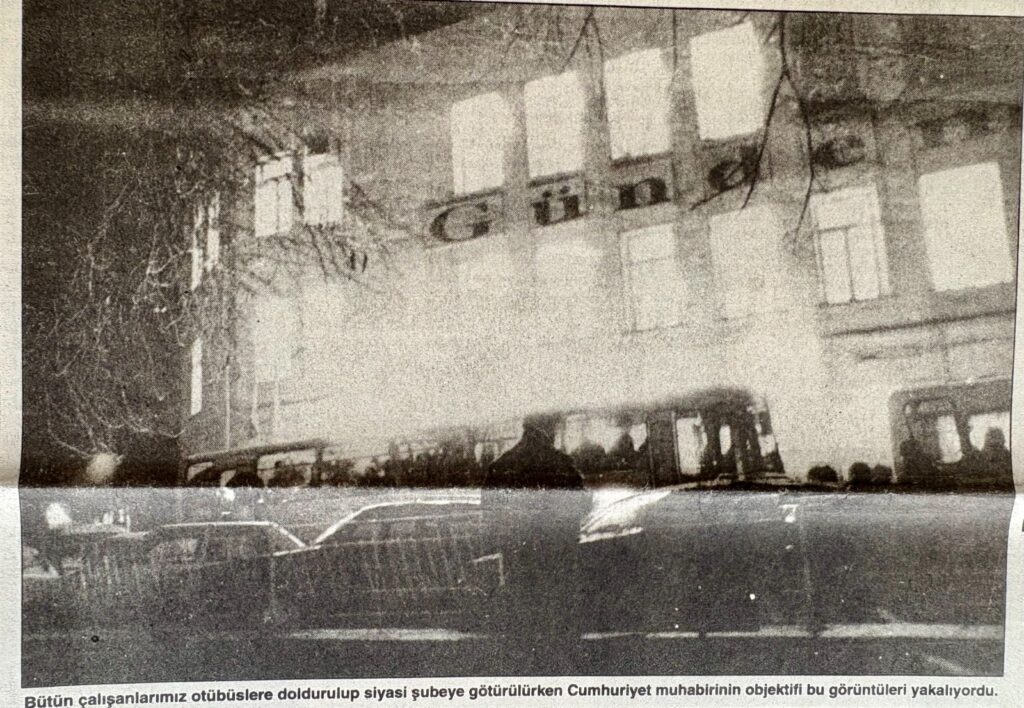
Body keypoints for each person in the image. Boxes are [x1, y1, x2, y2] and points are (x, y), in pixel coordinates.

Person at [482, 413, 589, 672]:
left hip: (519, 554)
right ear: (548, 427)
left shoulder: (501, 466)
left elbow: (490, 512)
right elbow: (582, 504)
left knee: (524, 612)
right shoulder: (561, 463)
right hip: (557, 552)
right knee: (558, 614)